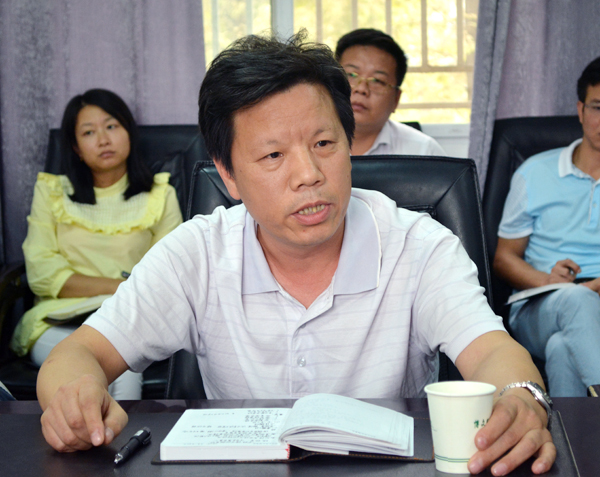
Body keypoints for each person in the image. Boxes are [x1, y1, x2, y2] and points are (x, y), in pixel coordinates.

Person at [37, 34, 554, 476]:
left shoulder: (419, 245)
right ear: (229, 175)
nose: (308, 174)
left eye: (324, 144)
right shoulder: (196, 253)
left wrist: (523, 398)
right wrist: (74, 397)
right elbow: (77, 356)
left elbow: (494, 353)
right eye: (274, 155)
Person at [10, 89, 183, 399]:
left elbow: (169, 275)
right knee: (85, 366)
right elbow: (42, 274)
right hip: (58, 320)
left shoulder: (161, 195)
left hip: (131, 318)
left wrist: (119, 295)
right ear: (76, 148)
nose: (103, 140)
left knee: (124, 369)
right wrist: (121, 287)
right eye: (89, 132)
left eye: (111, 126)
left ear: (129, 133)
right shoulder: (52, 193)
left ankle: (116, 433)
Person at [494, 56, 600, 398]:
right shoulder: (535, 172)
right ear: (581, 110)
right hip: (540, 305)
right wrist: (549, 281)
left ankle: (574, 430)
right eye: (598, 107)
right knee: (575, 300)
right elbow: (504, 258)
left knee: (562, 347)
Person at [335, 28, 445, 156]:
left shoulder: (424, 152)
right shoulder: (313, 145)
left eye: (377, 81)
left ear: (396, 99)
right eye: (351, 75)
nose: (361, 89)